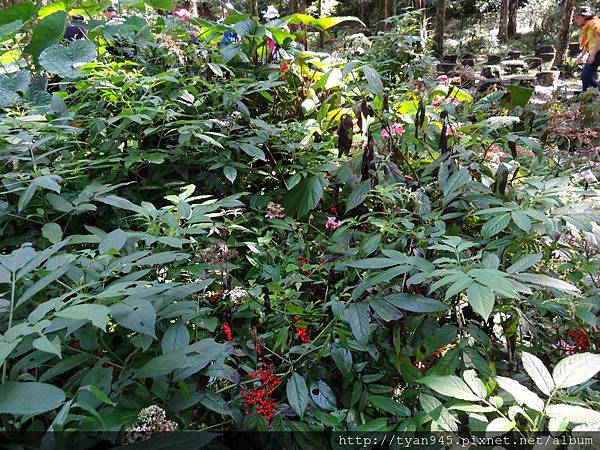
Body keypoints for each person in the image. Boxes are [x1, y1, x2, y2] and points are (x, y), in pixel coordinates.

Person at [575, 5, 600, 90]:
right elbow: (588, 43)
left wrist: (592, 55)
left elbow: (599, 39)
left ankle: (592, 92)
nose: (576, 20)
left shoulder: (594, 23)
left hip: (597, 52)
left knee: (585, 76)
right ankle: (586, 95)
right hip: (594, 52)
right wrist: (581, 56)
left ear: (584, 16)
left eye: (578, 17)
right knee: (585, 76)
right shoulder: (588, 26)